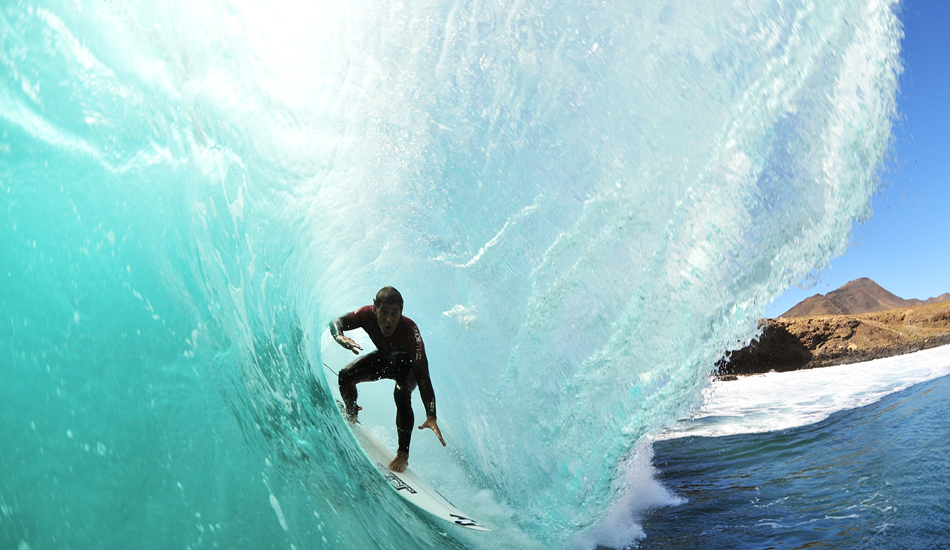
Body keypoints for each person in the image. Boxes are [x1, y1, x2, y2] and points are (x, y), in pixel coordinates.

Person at [330, 286, 445, 472]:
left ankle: (403, 455)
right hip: (384, 360)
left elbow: (423, 376)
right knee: (346, 375)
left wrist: (431, 414)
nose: (389, 319)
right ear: (375, 309)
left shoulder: (410, 331)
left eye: (394, 313)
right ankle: (351, 415)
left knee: (401, 393)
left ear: (401, 312)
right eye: (384, 312)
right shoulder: (366, 314)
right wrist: (339, 336)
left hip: (408, 370)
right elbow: (337, 321)